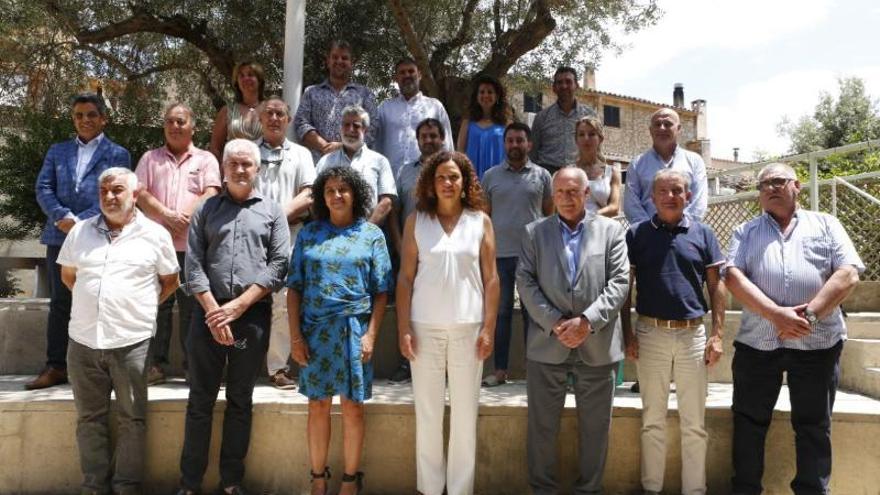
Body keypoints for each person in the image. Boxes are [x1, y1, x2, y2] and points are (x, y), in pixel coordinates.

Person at [724, 163, 863, 495]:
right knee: (748, 424)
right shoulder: (745, 232)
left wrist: (809, 317)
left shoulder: (827, 225)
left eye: (778, 181)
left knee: (814, 427)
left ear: (796, 186)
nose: (770, 188)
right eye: (763, 185)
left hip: (818, 344)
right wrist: (776, 315)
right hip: (758, 344)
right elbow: (732, 276)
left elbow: (849, 273)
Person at [176, 139, 289, 495]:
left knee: (241, 399)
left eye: (247, 165)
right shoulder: (206, 210)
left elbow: (279, 265)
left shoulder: (272, 212)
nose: (240, 170)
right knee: (200, 400)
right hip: (207, 315)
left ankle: (231, 481)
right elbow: (192, 265)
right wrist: (214, 311)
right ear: (224, 168)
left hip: (251, 316)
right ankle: (190, 482)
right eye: (234, 164)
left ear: (258, 170)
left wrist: (238, 307)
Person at [58, 167, 179, 495]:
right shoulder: (79, 232)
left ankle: (126, 487)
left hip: (131, 343)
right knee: (89, 420)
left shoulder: (156, 235)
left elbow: (170, 283)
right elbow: (69, 276)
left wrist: (136, 310)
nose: (110, 197)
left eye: (118, 191)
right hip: (82, 341)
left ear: (135, 194)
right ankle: (94, 487)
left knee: (132, 419)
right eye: (105, 191)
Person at [516, 166, 629, 495]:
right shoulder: (534, 232)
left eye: (573, 191)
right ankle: (543, 490)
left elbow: (620, 282)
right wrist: (554, 322)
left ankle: (589, 490)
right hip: (546, 344)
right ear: (553, 196)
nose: (566, 197)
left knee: (596, 430)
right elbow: (525, 281)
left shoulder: (611, 231)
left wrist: (587, 322)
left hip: (597, 345)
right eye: (560, 192)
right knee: (541, 429)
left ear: (586, 194)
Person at [397, 150, 499, 495]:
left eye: (454, 176)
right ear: (430, 182)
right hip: (424, 327)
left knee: (465, 417)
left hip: (468, 330)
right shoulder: (416, 221)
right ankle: (429, 489)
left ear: (465, 181)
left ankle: (459, 490)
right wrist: (403, 329)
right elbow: (405, 280)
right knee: (427, 415)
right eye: (441, 176)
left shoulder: (480, 221)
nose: (447, 183)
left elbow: (492, 280)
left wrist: (488, 328)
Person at [287, 166, 391, 495]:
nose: (337, 195)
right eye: (330, 190)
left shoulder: (372, 235)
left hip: (354, 330)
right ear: (322, 196)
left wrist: (371, 334)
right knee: (317, 405)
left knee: (352, 406)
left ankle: (349, 480)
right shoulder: (308, 234)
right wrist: (295, 338)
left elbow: (382, 290)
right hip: (315, 332)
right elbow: (294, 288)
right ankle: (318, 478)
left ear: (356, 194)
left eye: (343, 189)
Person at [621, 169, 726, 495]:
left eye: (677, 190)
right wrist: (627, 334)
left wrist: (718, 334)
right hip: (650, 334)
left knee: (694, 423)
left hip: (693, 336)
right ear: (652, 197)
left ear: (688, 196)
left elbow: (715, 285)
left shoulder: (704, 234)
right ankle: (651, 488)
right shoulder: (636, 234)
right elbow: (627, 288)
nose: (670, 196)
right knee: (652, 420)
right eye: (663, 191)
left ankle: (695, 491)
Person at [30, 92, 132, 390]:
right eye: (78, 115)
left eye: (90, 115)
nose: (84, 120)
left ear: (103, 118)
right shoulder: (57, 151)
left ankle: (103, 369)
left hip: (99, 236)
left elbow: (116, 191)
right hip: (59, 236)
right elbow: (43, 186)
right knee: (61, 303)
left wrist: (79, 221)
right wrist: (61, 215)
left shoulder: (118, 154)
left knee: (100, 299)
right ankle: (56, 366)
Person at [135, 102, 222, 385]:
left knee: (191, 308)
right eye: (170, 121)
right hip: (155, 247)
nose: (175, 126)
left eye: (181, 122)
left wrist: (185, 216)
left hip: (193, 247)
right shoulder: (150, 159)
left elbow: (212, 191)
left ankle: (191, 366)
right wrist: (167, 216)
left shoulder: (206, 159)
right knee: (155, 307)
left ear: (192, 127)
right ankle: (154, 366)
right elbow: (139, 193)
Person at [480, 122, 553, 387]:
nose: (515, 145)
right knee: (500, 315)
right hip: (499, 256)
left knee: (533, 314)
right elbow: (483, 217)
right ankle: (500, 370)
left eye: (520, 140)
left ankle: (534, 370)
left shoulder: (543, 176)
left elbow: (548, 214)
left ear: (529, 144)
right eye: (510, 140)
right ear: (505, 144)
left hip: (532, 257)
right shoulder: (490, 177)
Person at [254, 96, 317, 390]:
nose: (274, 118)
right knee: (249, 298)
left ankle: (278, 367)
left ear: (288, 119)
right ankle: (243, 364)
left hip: (290, 236)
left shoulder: (302, 154)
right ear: (259, 118)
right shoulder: (249, 152)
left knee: (283, 300)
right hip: (251, 237)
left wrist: (275, 219)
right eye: (269, 113)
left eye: (280, 113)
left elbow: (308, 195)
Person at [386, 117, 447, 384]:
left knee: (442, 303)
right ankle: (406, 362)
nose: (429, 140)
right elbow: (395, 212)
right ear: (418, 140)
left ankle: (443, 364)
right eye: (424, 136)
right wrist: (399, 243)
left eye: (434, 135)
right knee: (408, 305)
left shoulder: (451, 170)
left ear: (442, 138)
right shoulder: (404, 172)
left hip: (443, 251)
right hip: (411, 251)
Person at [294, 40, 379, 163]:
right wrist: (324, 146)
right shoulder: (311, 92)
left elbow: (372, 128)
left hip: (353, 165)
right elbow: (301, 123)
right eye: (335, 57)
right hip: (318, 164)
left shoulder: (365, 94)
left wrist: (342, 147)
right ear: (328, 61)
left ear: (351, 63)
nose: (339, 61)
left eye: (344, 58)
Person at [315, 105, 396, 227]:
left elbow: (387, 201)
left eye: (356, 125)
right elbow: (313, 198)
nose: (350, 129)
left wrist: (365, 233)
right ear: (341, 128)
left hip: (368, 234)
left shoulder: (379, 161)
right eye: (346, 125)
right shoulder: (325, 162)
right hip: (330, 235)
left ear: (365, 130)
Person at [623, 108, 707, 224]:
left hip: (686, 235)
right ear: (650, 130)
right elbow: (631, 205)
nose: (662, 128)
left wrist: (681, 228)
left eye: (667, 124)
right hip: (648, 237)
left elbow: (699, 202)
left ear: (678, 129)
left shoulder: (695, 162)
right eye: (657, 124)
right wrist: (650, 230)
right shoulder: (637, 164)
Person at [374, 57, 453, 175]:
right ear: (395, 78)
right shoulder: (385, 108)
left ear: (419, 75)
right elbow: (375, 143)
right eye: (402, 72)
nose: (407, 75)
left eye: (411, 71)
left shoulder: (435, 106)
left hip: (426, 177)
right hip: (391, 178)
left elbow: (446, 143)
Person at [530, 67, 598, 175]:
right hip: (547, 175)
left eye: (568, 82)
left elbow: (596, 148)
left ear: (576, 85)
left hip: (579, 174)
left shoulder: (589, 115)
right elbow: (532, 153)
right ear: (554, 88)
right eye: (559, 82)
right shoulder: (542, 117)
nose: (564, 86)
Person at [456, 74, 513, 178]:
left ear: (497, 96)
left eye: (490, 92)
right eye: (482, 92)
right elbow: (460, 152)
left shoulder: (506, 124)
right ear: (476, 96)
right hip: (472, 180)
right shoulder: (467, 122)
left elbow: (511, 153)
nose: (486, 95)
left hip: (499, 180)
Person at [209, 61, 266, 160]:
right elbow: (215, 148)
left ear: (259, 80)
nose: (246, 79)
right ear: (237, 82)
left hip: (265, 170)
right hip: (234, 169)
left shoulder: (270, 109)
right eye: (241, 76)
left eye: (250, 75)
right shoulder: (227, 111)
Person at [574, 116, 622, 217]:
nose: (586, 138)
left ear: (600, 139)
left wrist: (587, 218)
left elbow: (614, 207)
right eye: (581, 134)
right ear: (576, 140)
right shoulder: (568, 172)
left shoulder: (612, 172)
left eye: (591, 134)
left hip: (602, 229)